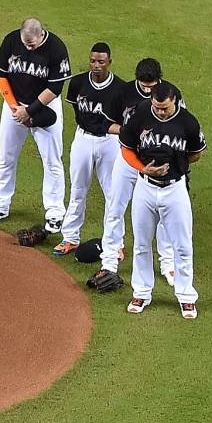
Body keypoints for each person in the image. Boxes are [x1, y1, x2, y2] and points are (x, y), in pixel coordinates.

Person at [87, 58, 185, 290]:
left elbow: (181, 125)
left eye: (152, 85)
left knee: (163, 212)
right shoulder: (124, 92)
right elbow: (106, 124)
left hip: (161, 163)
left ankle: (168, 263)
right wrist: (131, 132)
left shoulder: (172, 94)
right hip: (129, 159)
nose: (148, 90)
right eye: (144, 85)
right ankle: (110, 261)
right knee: (115, 207)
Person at [118, 82, 206, 318]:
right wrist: (143, 169)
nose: (159, 112)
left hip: (175, 190)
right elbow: (126, 147)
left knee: (183, 245)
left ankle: (186, 296)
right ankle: (142, 292)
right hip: (145, 189)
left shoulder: (188, 122)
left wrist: (178, 166)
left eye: (164, 108)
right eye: (157, 107)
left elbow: (197, 152)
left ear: (175, 101)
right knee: (141, 244)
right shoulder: (141, 114)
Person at [0, 17, 71, 231]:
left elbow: (55, 88)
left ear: (41, 35)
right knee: (6, 157)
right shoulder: (11, 41)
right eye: (25, 43)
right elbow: (0, 75)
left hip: (45, 105)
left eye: (31, 44)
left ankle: (55, 212)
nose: (27, 47)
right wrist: (15, 107)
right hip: (14, 106)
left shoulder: (56, 48)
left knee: (52, 161)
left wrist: (29, 111)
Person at [53, 43, 128, 255]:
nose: (96, 65)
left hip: (109, 142)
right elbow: (77, 110)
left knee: (113, 194)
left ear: (109, 63)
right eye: (93, 61)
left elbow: (124, 122)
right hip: (83, 139)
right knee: (77, 190)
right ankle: (70, 238)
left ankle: (115, 244)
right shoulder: (77, 83)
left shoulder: (121, 89)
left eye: (101, 62)